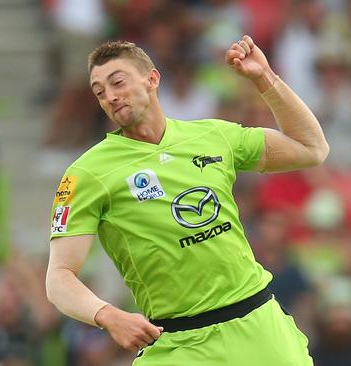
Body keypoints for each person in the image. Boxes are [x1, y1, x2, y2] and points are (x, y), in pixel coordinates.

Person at [45, 35, 329, 365]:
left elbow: (312, 148)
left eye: (117, 82)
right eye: (99, 92)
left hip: (258, 324)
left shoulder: (213, 135)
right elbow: (58, 278)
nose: (109, 96)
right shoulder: (88, 173)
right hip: (180, 343)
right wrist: (106, 315)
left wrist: (264, 78)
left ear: (152, 79)